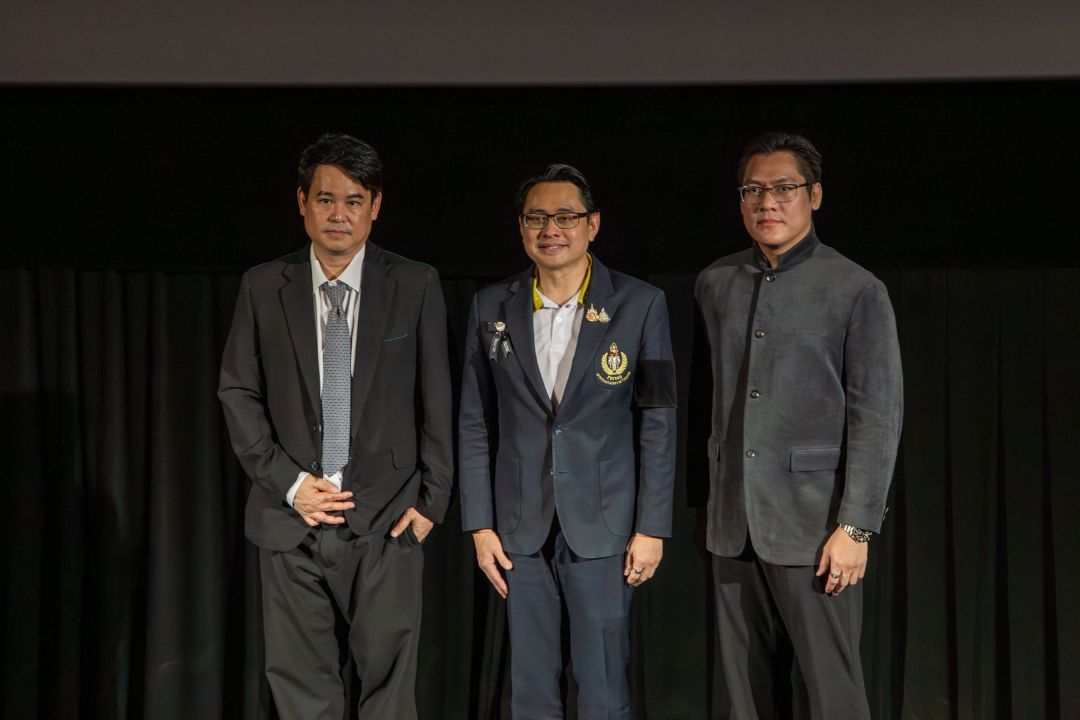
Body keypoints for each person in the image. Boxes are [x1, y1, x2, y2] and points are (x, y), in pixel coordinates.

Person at [218, 132, 453, 720]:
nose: (339, 215)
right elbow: (238, 392)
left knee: (389, 696)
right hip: (289, 520)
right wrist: (291, 484)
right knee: (302, 695)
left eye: (354, 201)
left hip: (388, 520)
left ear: (376, 206)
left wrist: (434, 500)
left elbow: (438, 399)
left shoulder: (415, 283)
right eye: (325, 199)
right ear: (302, 202)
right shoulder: (263, 285)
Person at [693, 131, 903, 718]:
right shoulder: (715, 283)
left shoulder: (856, 288)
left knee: (833, 697)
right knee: (746, 701)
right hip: (733, 526)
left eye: (784, 188)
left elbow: (878, 415)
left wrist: (856, 527)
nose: (768, 202)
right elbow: (707, 403)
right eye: (753, 190)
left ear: (814, 195)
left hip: (816, 530)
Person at [458, 164, 677, 719]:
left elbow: (658, 420)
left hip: (605, 524)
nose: (550, 229)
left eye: (565, 217)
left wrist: (652, 526)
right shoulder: (491, 307)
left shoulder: (639, 304)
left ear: (592, 224)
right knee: (531, 690)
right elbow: (475, 421)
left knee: (601, 687)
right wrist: (480, 525)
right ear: (521, 227)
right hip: (519, 526)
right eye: (537, 218)